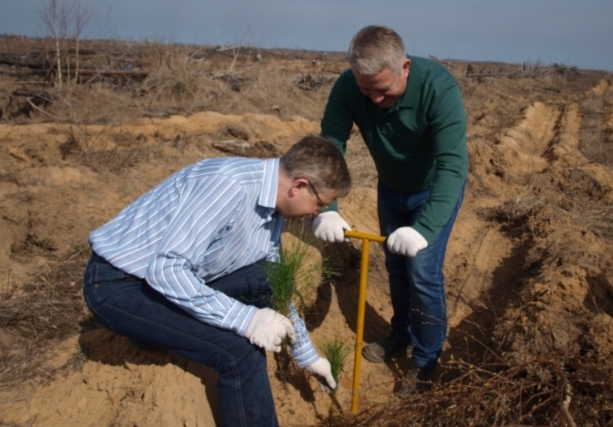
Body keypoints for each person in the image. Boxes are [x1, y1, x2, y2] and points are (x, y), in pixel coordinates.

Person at [83, 135, 351, 427]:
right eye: (320, 204)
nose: (317, 213)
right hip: (120, 285)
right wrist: (245, 319)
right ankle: (147, 331)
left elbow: (273, 281)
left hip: (169, 281)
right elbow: (168, 269)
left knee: (264, 273)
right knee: (240, 352)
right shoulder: (229, 184)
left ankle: (151, 333)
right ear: (299, 186)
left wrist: (307, 356)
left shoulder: (273, 208)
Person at [314, 25, 468, 398]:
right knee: (396, 265)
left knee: (423, 272)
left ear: (405, 68)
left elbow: (452, 166)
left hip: (433, 190)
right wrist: (328, 207)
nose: (375, 99)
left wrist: (425, 228)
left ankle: (427, 359)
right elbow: (331, 144)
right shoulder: (350, 86)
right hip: (391, 188)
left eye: (383, 90)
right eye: (367, 91)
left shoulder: (438, 89)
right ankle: (402, 335)